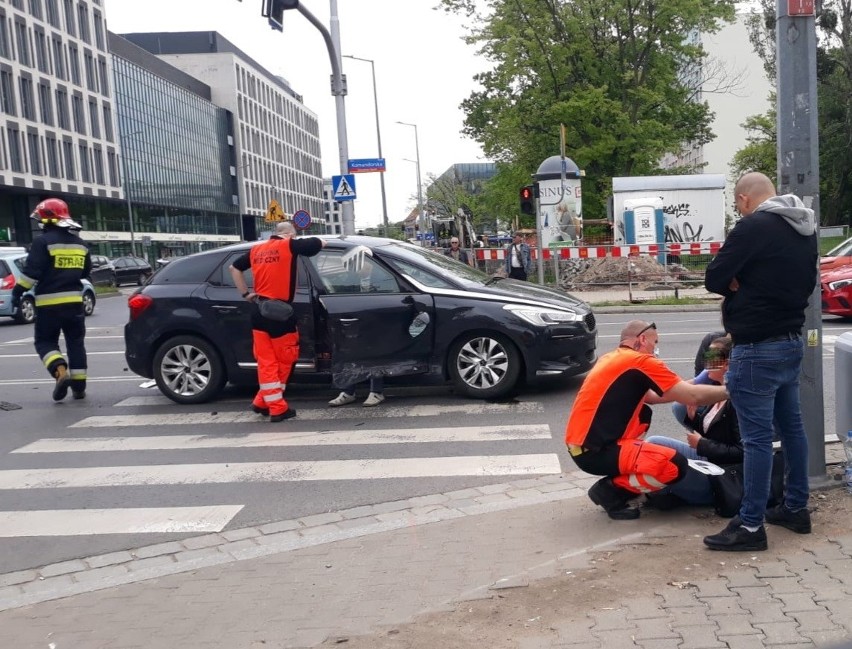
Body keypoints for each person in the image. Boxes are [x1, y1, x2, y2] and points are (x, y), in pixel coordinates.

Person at [702, 171, 818, 552]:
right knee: (793, 429)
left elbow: (714, 276)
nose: (739, 209)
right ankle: (796, 508)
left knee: (756, 441)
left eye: (738, 204)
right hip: (790, 341)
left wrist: (737, 281)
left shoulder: (753, 226)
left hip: (756, 346)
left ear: (744, 199)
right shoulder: (805, 228)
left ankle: (750, 525)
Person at [564, 320, 729, 520]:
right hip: (596, 449)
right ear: (643, 339)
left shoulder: (612, 358)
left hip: (581, 445)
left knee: (647, 416)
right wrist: (732, 390)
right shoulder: (641, 362)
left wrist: (693, 389)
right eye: (655, 343)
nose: (655, 349)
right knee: (673, 465)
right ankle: (611, 491)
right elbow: (690, 395)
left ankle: (628, 479)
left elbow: (655, 397)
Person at [229, 222, 325, 423]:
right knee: (284, 359)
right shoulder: (288, 245)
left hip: (259, 309)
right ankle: (277, 407)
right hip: (279, 313)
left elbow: (234, 268)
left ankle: (262, 402)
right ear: (290, 234)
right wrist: (323, 240)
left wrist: (246, 293)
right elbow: (317, 244)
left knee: (266, 361)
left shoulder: (256, 249)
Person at [646, 335, 743, 507]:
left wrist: (702, 444)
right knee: (652, 445)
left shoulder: (738, 402)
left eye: (712, 359)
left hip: (723, 474)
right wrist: (694, 419)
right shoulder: (715, 391)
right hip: (707, 458)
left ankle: (677, 491)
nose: (706, 365)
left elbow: (742, 451)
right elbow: (716, 430)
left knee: (662, 470)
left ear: (727, 364)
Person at [11, 198, 91, 402]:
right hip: (75, 304)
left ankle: (60, 371)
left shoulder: (42, 242)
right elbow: (85, 271)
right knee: (76, 343)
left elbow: (31, 274)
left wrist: (17, 292)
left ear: (47, 220)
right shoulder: (80, 244)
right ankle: (79, 387)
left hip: (49, 304)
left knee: (45, 341)